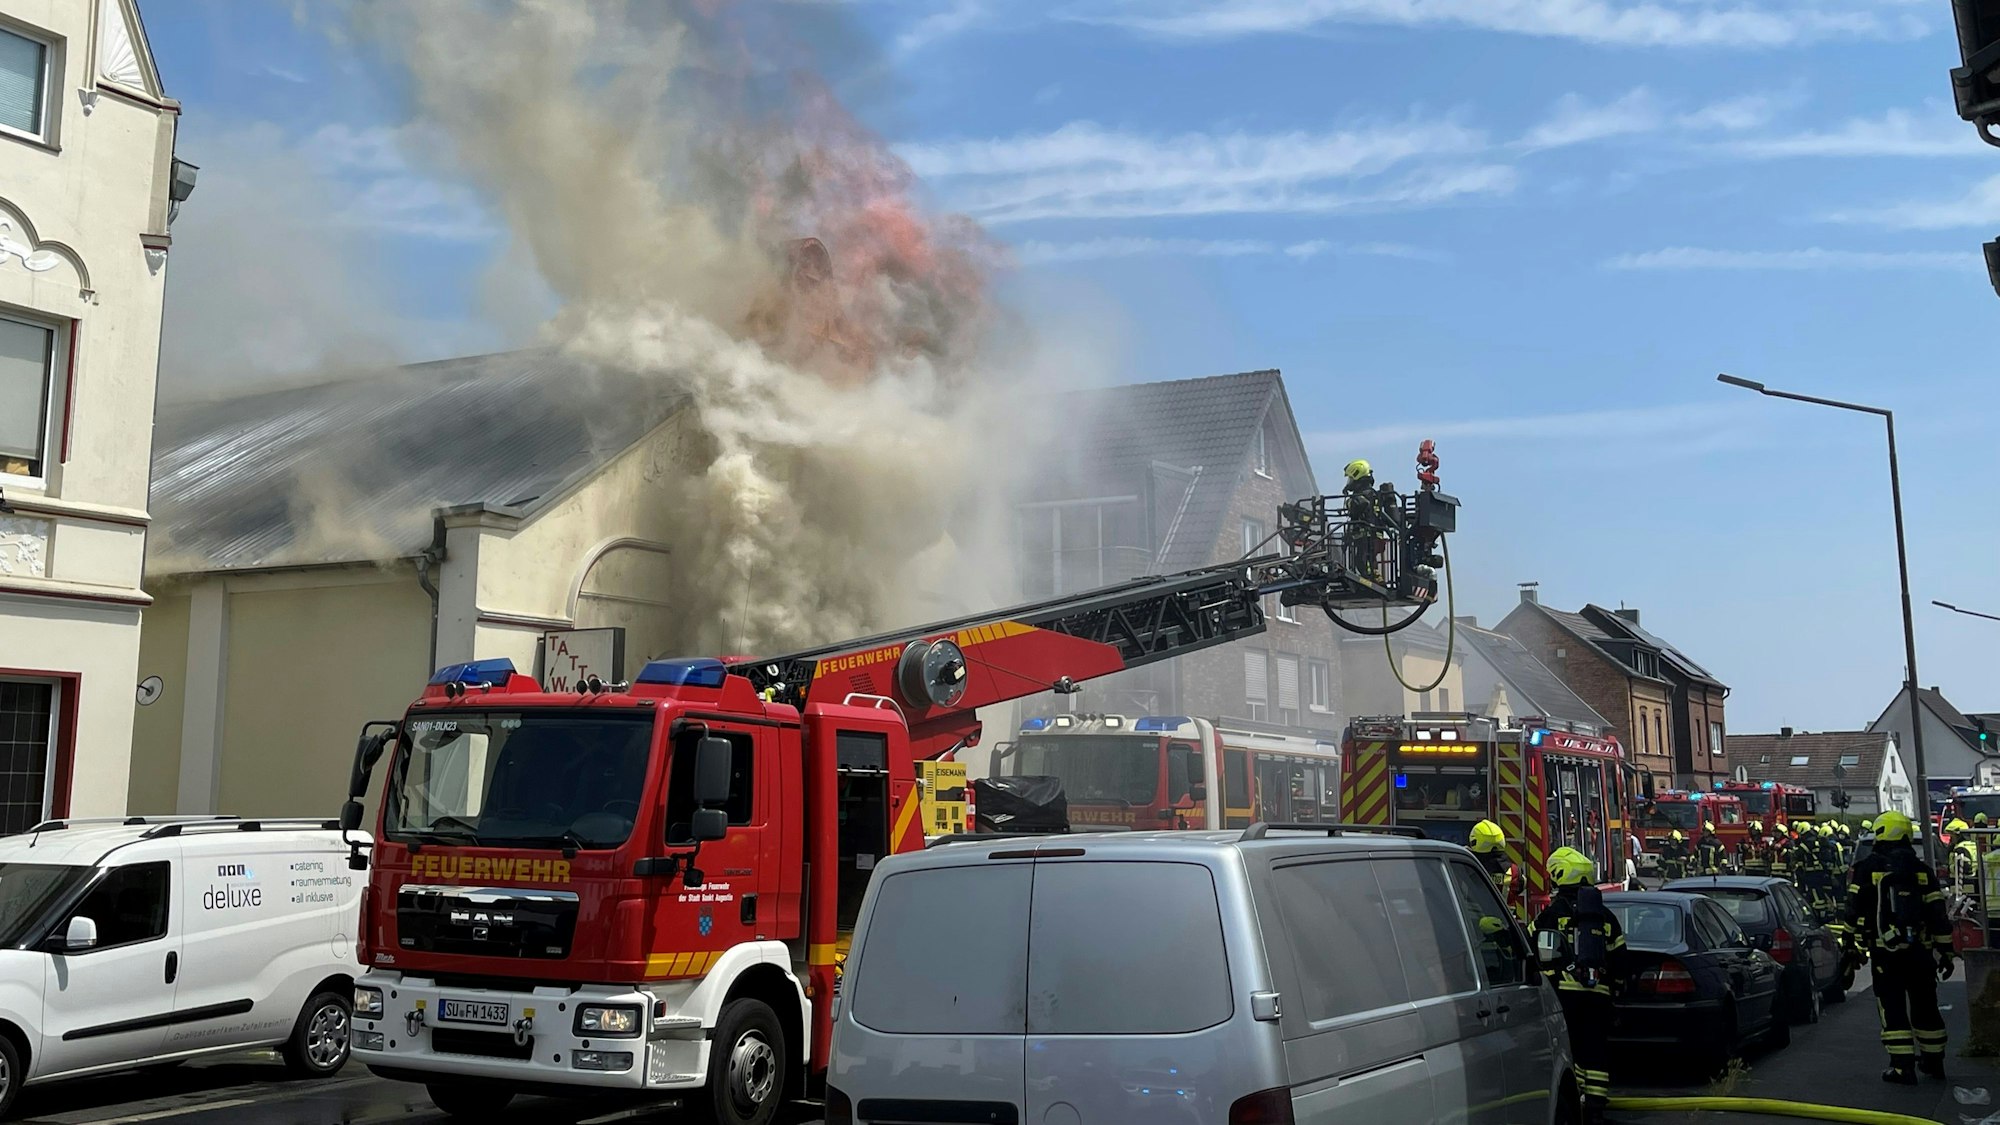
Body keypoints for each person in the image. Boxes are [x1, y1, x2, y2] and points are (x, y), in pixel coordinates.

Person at [1847, 810, 1953, 1084]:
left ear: (1882, 833)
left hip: (1886, 953)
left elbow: (1852, 911)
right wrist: (1947, 952)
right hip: (1920, 952)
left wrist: (1851, 943)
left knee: (1892, 1007)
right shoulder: (1922, 871)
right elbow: (1938, 915)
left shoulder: (1866, 868)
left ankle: (1901, 1068)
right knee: (1926, 1006)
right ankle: (1934, 1062)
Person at [1535, 847, 1625, 1125]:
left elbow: (1530, 946)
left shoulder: (1552, 914)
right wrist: (1616, 991)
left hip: (1563, 995)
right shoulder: (1604, 918)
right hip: (1598, 995)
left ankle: (1577, 1100)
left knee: (1568, 1050)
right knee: (1595, 1049)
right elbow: (1620, 958)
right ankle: (1596, 1106)